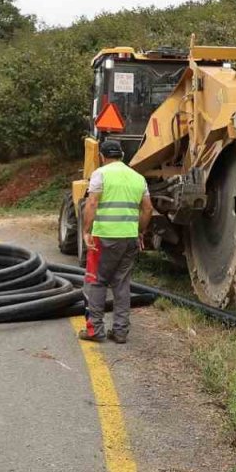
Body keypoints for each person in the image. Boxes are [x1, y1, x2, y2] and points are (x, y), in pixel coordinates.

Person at [79, 138, 153, 344]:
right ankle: (120, 332)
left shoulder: (100, 174)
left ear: (102, 156)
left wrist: (86, 231)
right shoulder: (138, 177)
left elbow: (92, 202)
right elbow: (148, 208)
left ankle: (95, 330)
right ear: (122, 155)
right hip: (129, 238)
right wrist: (140, 232)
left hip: (104, 238)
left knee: (97, 281)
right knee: (121, 285)